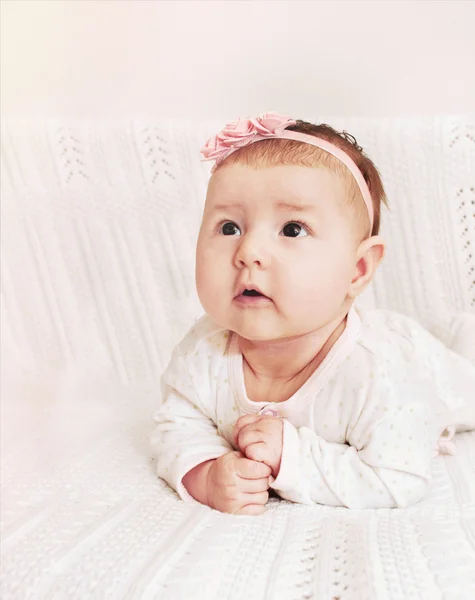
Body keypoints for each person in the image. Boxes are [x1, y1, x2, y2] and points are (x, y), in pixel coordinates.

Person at [150, 112, 475, 515]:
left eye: (291, 229)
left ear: (357, 269)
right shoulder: (202, 352)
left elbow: (398, 477)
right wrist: (206, 473)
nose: (248, 252)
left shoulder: (378, 372)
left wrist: (292, 457)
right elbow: (176, 426)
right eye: (229, 227)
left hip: (432, 369)